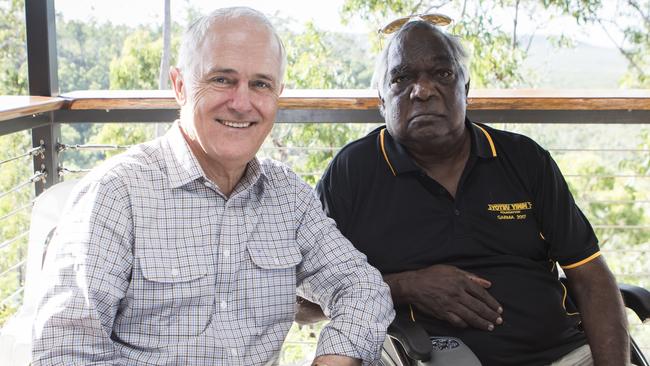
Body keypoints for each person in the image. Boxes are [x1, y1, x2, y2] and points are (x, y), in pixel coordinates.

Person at [31, 7, 394, 366]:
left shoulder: (288, 196)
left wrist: (334, 358)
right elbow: (64, 353)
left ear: (277, 94)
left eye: (260, 84)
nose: (241, 103)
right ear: (180, 86)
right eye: (222, 79)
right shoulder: (116, 194)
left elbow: (362, 287)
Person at [311, 18, 630, 366]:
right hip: (424, 357)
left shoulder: (524, 159)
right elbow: (306, 302)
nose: (423, 90)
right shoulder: (353, 171)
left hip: (564, 354)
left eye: (442, 74)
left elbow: (590, 277)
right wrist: (407, 286)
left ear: (466, 88)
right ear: (381, 101)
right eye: (401, 78)